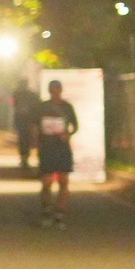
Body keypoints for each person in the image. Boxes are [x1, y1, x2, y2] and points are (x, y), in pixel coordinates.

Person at [37, 78, 79, 226]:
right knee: (46, 182)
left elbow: (75, 126)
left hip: (62, 148)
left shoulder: (67, 107)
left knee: (63, 181)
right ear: (49, 91)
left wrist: (68, 134)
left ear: (60, 91)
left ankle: (60, 213)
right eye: (53, 91)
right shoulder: (42, 107)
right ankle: (47, 210)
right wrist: (37, 142)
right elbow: (34, 126)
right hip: (47, 148)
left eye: (57, 90)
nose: (55, 93)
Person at [11, 79, 40, 174]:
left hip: (23, 120)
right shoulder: (32, 95)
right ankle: (25, 158)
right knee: (27, 140)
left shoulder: (17, 94)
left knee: (23, 140)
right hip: (28, 120)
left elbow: (14, 107)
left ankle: (24, 158)